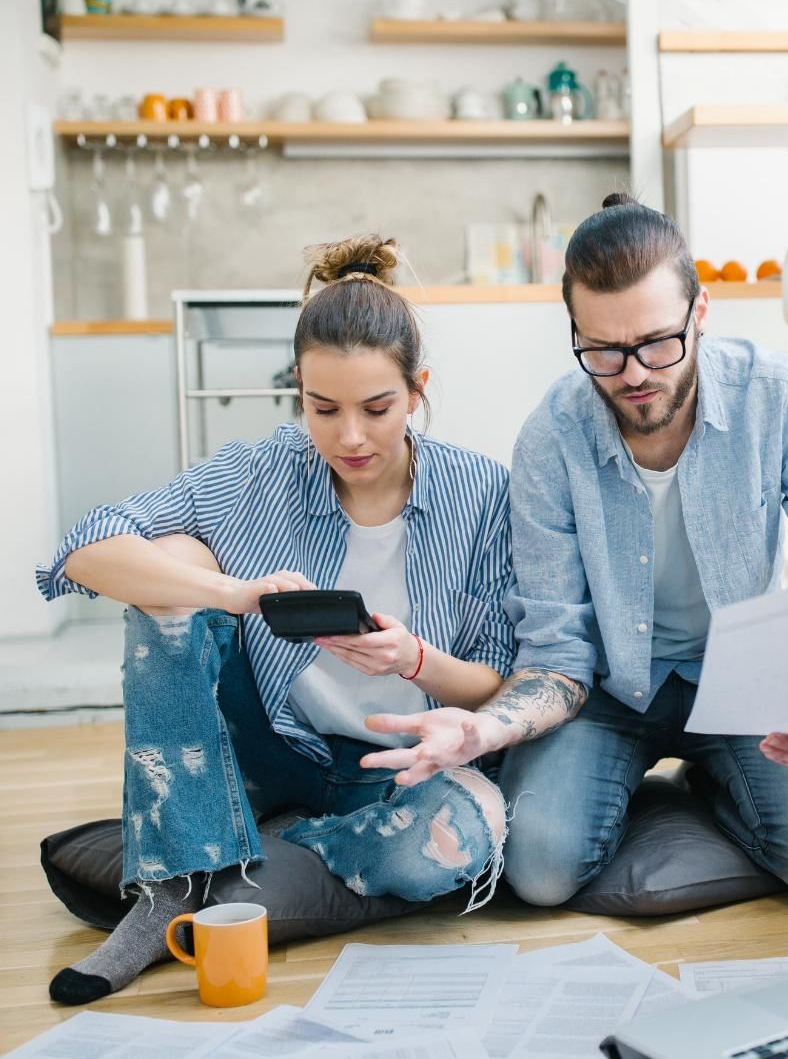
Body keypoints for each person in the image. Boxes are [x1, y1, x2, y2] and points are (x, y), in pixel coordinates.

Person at [361, 194, 788, 906]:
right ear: (575, 331)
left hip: (745, 681)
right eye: (603, 351)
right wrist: (486, 730)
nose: (635, 373)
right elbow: (556, 649)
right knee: (540, 872)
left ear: (700, 313)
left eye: (657, 344)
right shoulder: (550, 438)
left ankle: (708, 778)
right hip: (606, 691)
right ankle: (669, 779)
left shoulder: (783, 396)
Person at [35, 235, 515, 1005]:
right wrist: (233, 592)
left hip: (391, 773)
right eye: (323, 408)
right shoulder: (259, 470)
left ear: (418, 390)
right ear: (298, 391)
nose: (349, 437)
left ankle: (254, 853)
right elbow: (83, 550)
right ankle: (171, 887)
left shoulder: (483, 491)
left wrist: (411, 659)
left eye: (377, 408)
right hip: (275, 747)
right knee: (173, 561)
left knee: (457, 841)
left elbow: (497, 678)